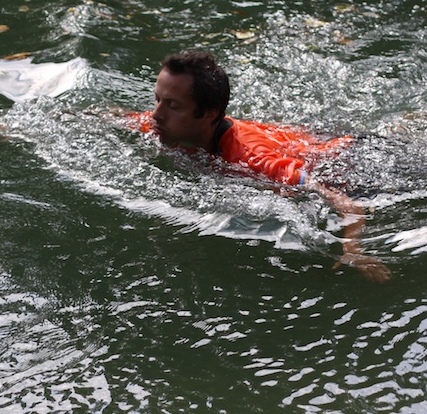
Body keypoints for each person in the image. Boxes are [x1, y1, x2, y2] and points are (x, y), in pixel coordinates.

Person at [127, 50, 392, 283]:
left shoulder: (253, 159)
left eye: (172, 105)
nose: (156, 114)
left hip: (357, 162)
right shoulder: (165, 125)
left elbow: (346, 203)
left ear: (208, 114)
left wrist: (352, 251)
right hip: (318, 140)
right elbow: (109, 116)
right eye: (157, 99)